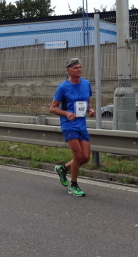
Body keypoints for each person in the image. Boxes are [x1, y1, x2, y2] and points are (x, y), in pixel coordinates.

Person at [50, 57, 96, 197]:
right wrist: (66, 113)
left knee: (85, 158)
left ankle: (63, 169)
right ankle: (74, 186)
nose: (79, 70)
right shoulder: (63, 87)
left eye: (80, 67)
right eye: (75, 68)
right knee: (78, 156)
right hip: (69, 124)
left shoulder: (86, 84)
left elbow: (87, 101)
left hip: (81, 125)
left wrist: (90, 110)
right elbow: (53, 108)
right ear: (68, 71)